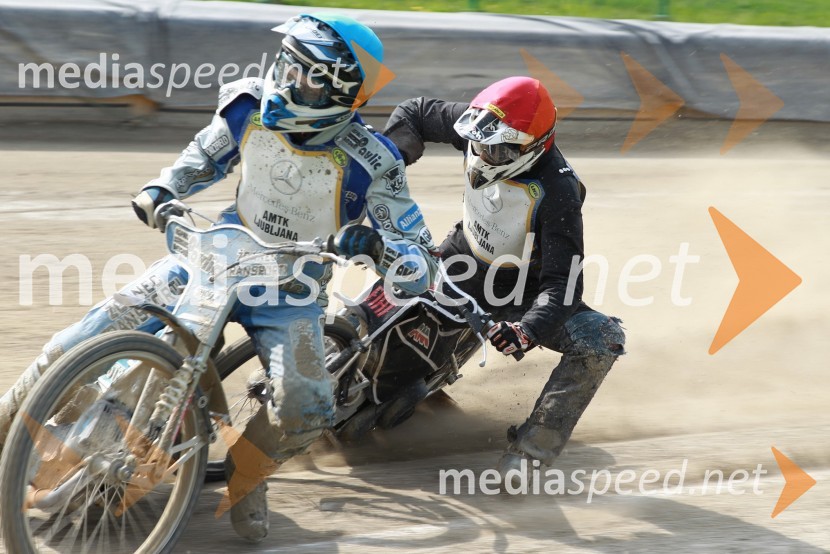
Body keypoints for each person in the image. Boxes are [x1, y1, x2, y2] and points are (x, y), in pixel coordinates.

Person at [0, 13, 437, 541]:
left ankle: (248, 474)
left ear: (340, 90)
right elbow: (204, 156)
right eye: (285, 64)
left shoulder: (376, 160)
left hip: (291, 287)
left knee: (308, 407)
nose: (285, 80)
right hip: (211, 254)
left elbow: (418, 256)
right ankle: (9, 419)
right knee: (80, 338)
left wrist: (379, 249)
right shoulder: (249, 107)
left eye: (304, 74)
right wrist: (163, 188)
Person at [382, 76, 626, 486]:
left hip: (518, 295)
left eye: (502, 149)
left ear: (535, 145)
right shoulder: (480, 128)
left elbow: (564, 285)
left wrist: (527, 330)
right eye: (482, 144)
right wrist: (389, 160)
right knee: (385, 263)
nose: (487, 154)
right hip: (458, 257)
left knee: (602, 340)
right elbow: (416, 111)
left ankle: (531, 455)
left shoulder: (559, 189)